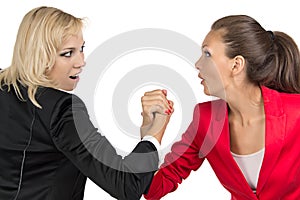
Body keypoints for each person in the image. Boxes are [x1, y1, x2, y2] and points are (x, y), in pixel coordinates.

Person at [0, 6, 174, 200]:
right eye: (67, 53)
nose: (81, 62)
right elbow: (127, 185)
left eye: (81, 49)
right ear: (39, 54)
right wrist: (153, 133)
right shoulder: (61, 110)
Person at [142, 14, 300, 199]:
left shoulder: (296, 112)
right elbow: (154, 189)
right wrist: (150, 133)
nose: (198, 64)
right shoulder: (205, 120)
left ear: (236, 65)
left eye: (207, 54)